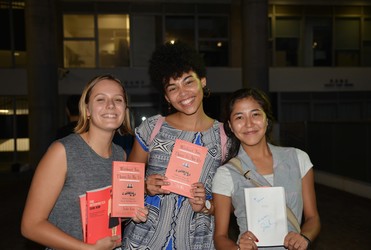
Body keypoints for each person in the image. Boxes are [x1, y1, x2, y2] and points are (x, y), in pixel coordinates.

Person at [21, 74, 148, 250]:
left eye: (118, 100)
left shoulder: (120, 155)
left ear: (124, 110)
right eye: (101, 99)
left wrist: (130, 213)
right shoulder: (62, 151)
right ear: (87, 109)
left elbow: (108, 215)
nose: (110, 105)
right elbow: (31, 226)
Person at [122, 41, 228, 249]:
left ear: (203, 81)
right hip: (144, 241)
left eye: (188, 82)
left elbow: (230, 204)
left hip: (198, 242)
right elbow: (125, 185)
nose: (183, 93)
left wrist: (206, 206)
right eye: (173, 87)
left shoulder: (225, 137)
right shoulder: (152, 128)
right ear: (166, 97)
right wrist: (144, 186)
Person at [212, 88, 321, 250]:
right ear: (230, 126)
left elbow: (313, 218)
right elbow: (220, 238)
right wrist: (238, 248)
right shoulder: (226, 173)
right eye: (239, 117)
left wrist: (304, 237)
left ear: (267, 119)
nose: (249, 124)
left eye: (255, 114)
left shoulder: (298, 158)